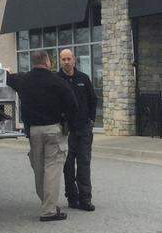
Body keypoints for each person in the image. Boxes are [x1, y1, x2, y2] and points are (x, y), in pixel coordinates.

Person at [6, 51, 78, 222]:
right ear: (48, 62)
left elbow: (7, 78)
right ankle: (49, 210)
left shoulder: (23, 80)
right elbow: (73, 106)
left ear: (33, 63)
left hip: (33, 131)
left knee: (39, 170)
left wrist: (6, 71)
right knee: (52, 170)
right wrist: (67, 122)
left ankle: (47, 203)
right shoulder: (57, 81)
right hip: (54, 129)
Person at [57, 48, 97, 211]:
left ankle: (85, 198)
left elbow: (93, 100)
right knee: (67, 165)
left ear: (74, 60)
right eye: (63, 59)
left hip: (83, 128)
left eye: (69, 59)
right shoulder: (57, 79)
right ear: (60, 61)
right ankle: (72, 197)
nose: (66, 62)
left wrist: (91, 119)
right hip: (65, 130)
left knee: (84, 163)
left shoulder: (83, 78)